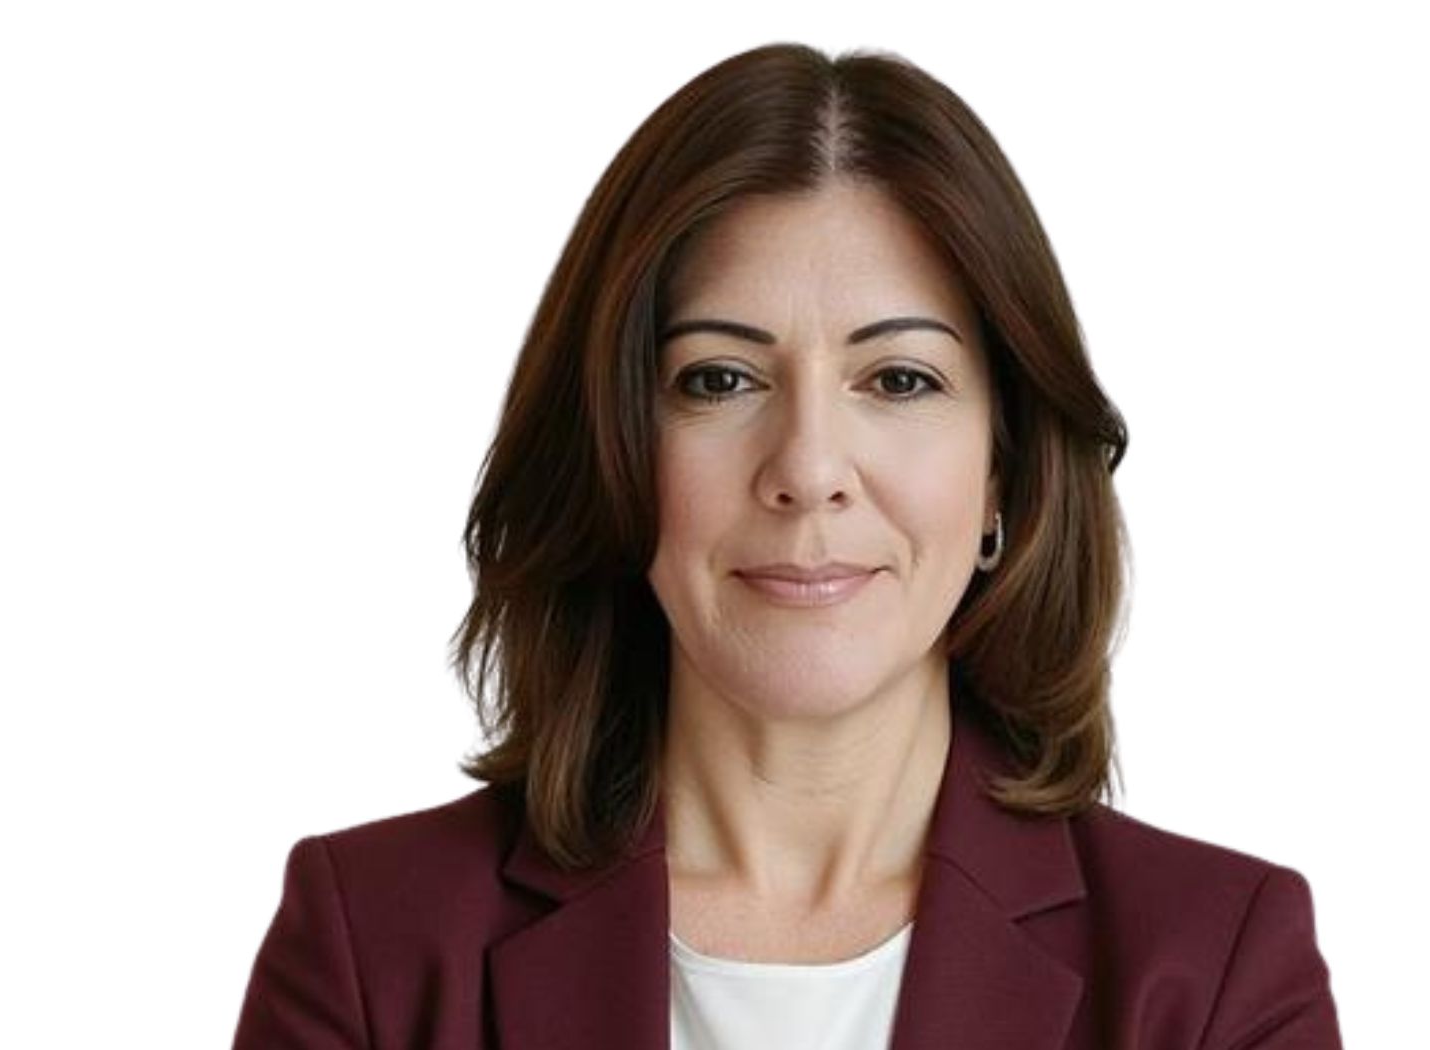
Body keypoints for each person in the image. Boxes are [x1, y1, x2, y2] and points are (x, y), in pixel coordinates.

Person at [230, 42, 1342, 1050]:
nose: (808, 467)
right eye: (720, 379)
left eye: (898, 380)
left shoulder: (1215, 977)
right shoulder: (372, 949)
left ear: (1004, 471)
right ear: (615, 451)